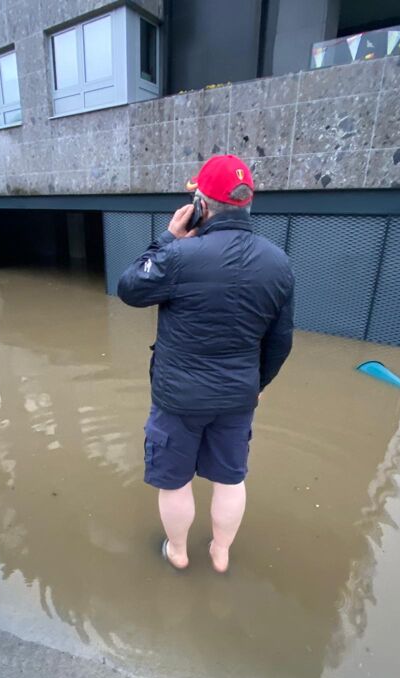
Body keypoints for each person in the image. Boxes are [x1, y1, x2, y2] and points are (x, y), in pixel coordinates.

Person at [117, 154, 295, 573]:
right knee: (230, 479)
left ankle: (177, 552)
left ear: (201, 204)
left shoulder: (179, 255)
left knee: (175, 481)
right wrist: (252, 385)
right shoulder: (279, 263)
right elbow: (280, 343)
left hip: (178, 398)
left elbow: (130, 287)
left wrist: (167, 238)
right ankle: (221, 553)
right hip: (237, 397)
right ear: (247, 203)